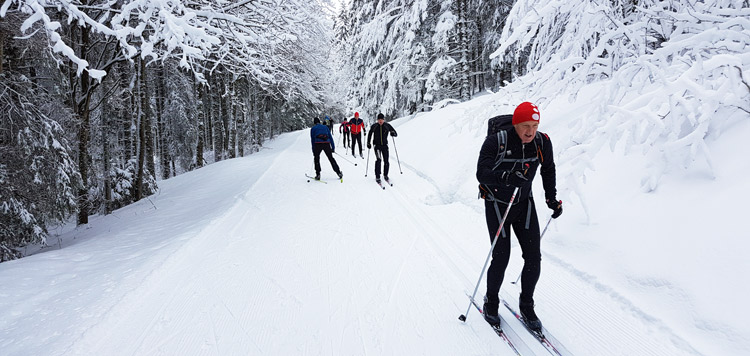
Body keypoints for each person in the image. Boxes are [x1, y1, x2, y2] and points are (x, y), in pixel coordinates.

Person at [475, 102, 562, 330]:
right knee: (501, 257)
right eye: (525, 125)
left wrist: (551, 199)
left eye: (534, 125)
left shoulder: (542, 142)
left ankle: (527, 305)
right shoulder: (497, 141)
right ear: (516, 124)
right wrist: (506, 177)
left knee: (534, 257)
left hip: (524, 204)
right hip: (497, 204)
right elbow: (481, 173)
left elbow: (548, 169)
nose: (530, 131)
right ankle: (491, 302)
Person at [367, 113, 397, 184]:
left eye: (381, 119)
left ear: (383, 120)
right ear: (377, 120)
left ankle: (386, 175)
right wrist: (368, 142)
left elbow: (395, 133)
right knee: (379, 160)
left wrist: (393, 133)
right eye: (379, 119)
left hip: (384, 146)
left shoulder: (387, 125)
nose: (380, 121)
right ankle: (377, 176)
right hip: (376, 146)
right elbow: (370, 134)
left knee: (386, 161)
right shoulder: (374, 126)